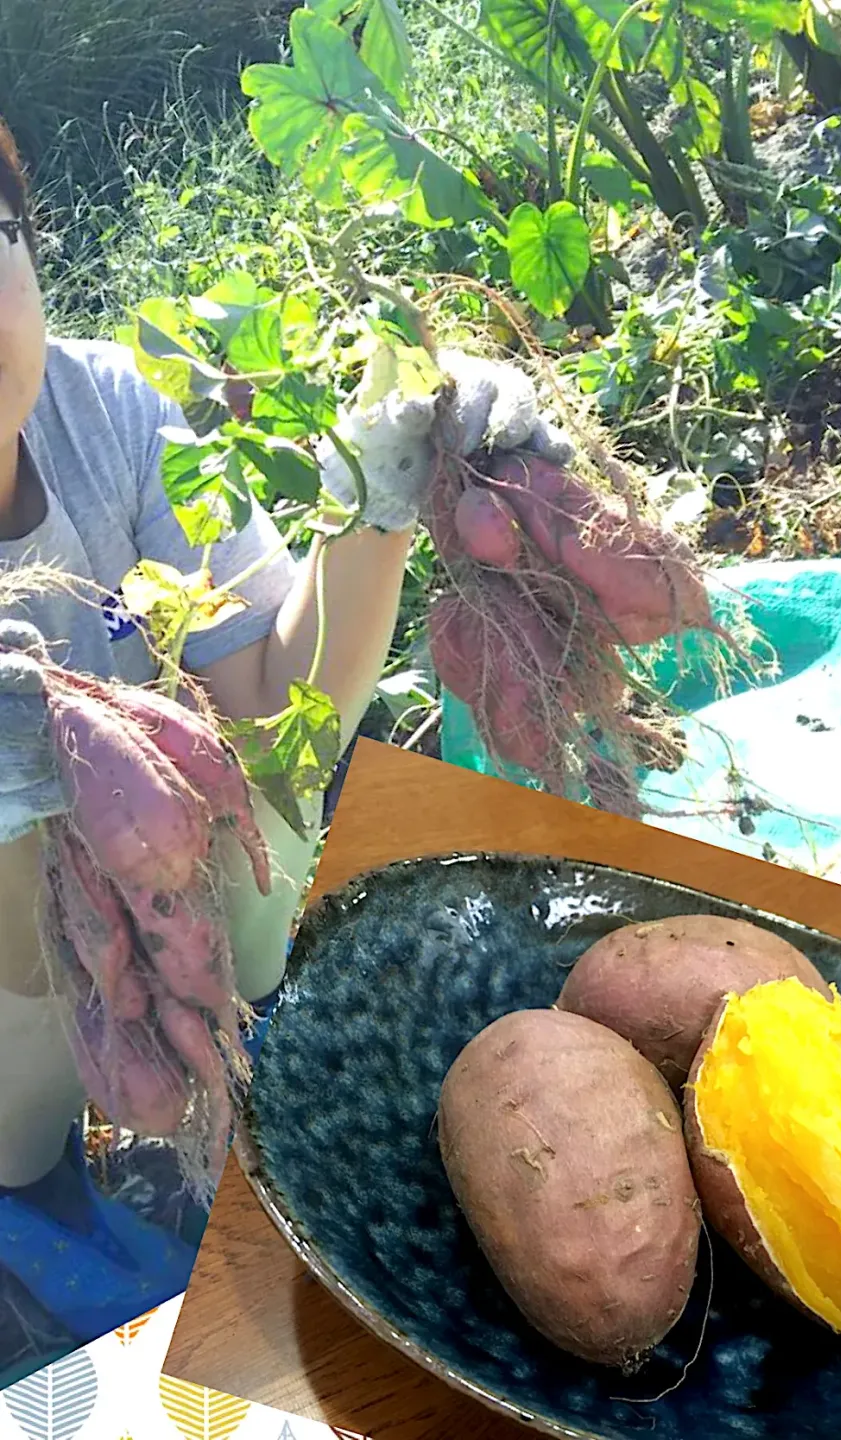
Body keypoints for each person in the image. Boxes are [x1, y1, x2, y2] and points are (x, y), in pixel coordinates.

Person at [0, 116, 573, 1381]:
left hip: (182, 874)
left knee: (265, 832)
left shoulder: (107, 413)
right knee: (13, 1132)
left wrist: (376, 502)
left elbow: (272, 713)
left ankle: (234, 1055)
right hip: (6, 964)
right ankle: (39, 1192)